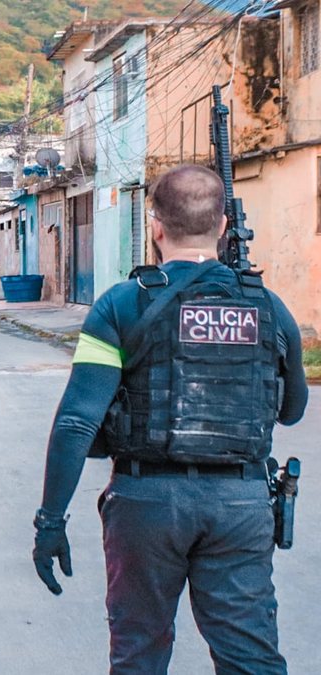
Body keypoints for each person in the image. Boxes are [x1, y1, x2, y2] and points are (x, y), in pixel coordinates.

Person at [32, 165, 308, 674]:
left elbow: (77, 423)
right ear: (223, 226)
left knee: (139, 654)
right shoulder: (268, 307)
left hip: (145, 505)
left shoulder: (121, 304)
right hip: (240, 504)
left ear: (155, 226)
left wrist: (50, 520)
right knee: (251, 659)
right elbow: (291, 411)